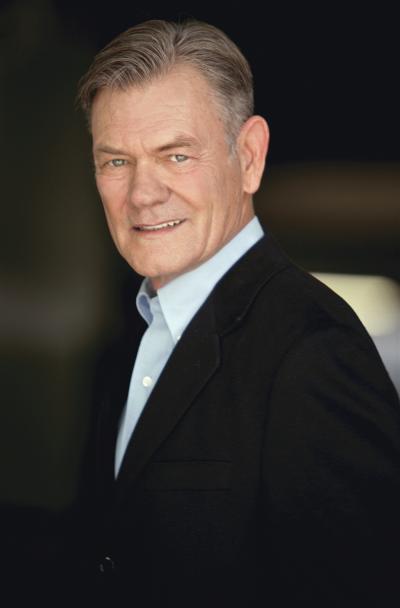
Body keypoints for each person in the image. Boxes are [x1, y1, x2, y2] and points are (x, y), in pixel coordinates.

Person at [75, 19, 400, 607]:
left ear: (249, 156)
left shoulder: (315, 354)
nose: (142, 194)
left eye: (176, 155)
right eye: (116, 162)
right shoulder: (133, 340)